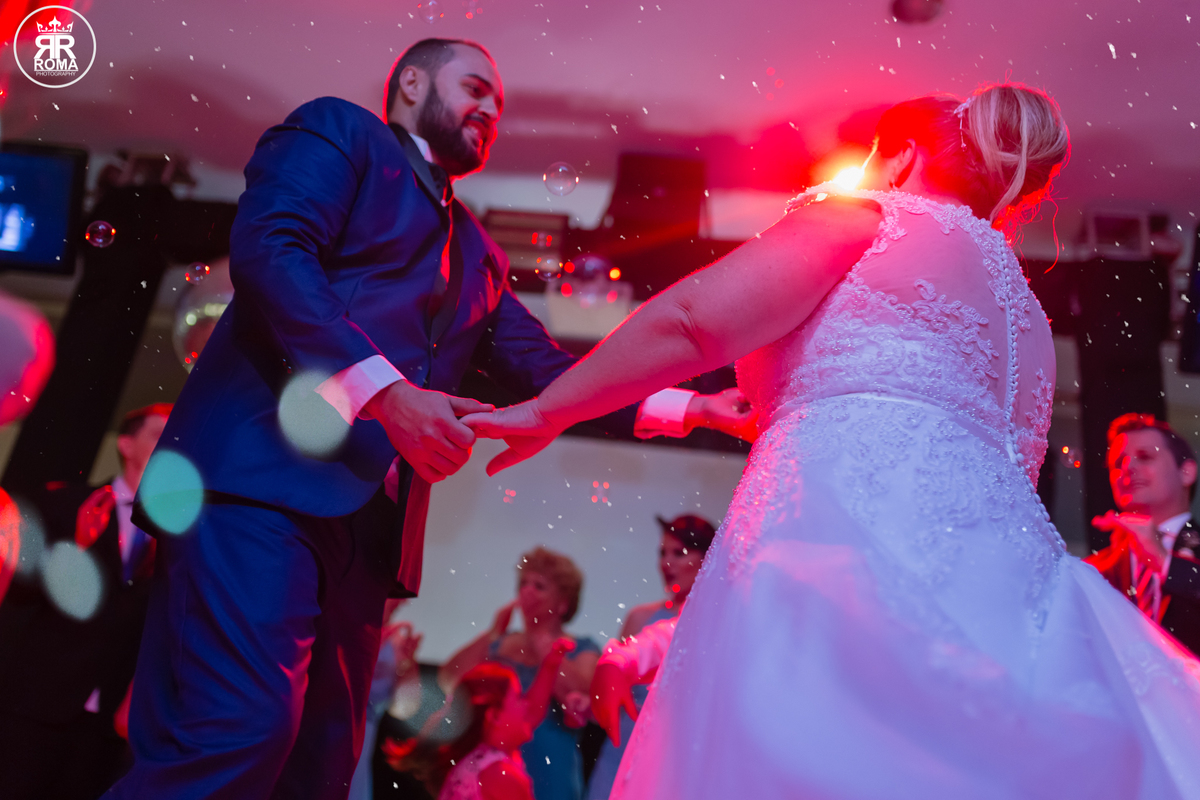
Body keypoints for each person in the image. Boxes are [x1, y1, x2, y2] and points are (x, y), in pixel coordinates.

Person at [467, 84, 1200, 797]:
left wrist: (547, 411)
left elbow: (693, 321)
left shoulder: (871, 217)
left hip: (839, 537)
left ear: (904, 155)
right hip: (1007, 588)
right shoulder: (1029, 316)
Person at [107, 38, 750, 800]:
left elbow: (552, 375)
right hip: (258, 488)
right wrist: (386, 394)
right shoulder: (341, 132)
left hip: (369, 537)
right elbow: (272, 251)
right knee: (237, 735)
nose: (490, 110)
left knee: (318, 769)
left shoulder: (480, 253)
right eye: (475, 88)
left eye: (498, 106)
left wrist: (690, 406)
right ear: (411, 83)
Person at [0, 403, 170, 800]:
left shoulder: (178, 534)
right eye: (159, 434)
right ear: (126, 444)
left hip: (110, 722)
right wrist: (75, 549)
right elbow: (19, 593)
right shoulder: (67, 504)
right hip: (39, 703)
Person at [441, 547, 597, 800]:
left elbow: (581, 695)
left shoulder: (581, 648)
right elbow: (448, 679)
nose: (527, 591)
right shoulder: (502, 643)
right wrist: (492, 633)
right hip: (495, 767)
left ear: (563, 603)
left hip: (552, 770)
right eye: (524, 583)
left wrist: (539, 637)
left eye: (539, 586)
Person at [585, 514, 715, 800]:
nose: (666, 563)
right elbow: (611, 696)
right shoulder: (640, 617)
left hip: (677, 757)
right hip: (622, 750)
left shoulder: (714, 623)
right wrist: (587, 704)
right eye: (662, 553)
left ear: (708, 558)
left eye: (679, 553)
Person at [1086, 413, 1200, 656]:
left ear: (1186, 472)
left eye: (1145, 456)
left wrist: (1164, 563)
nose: (1127, 468)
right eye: (1118, 463)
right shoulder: (1092, 571)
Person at [410, 640, 573, 800]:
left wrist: (551, 664)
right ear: (494, 716)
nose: (525, 705)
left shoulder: (474, 765)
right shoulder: (501, 776)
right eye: (518, 698)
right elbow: (531, 712)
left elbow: (533, 711)